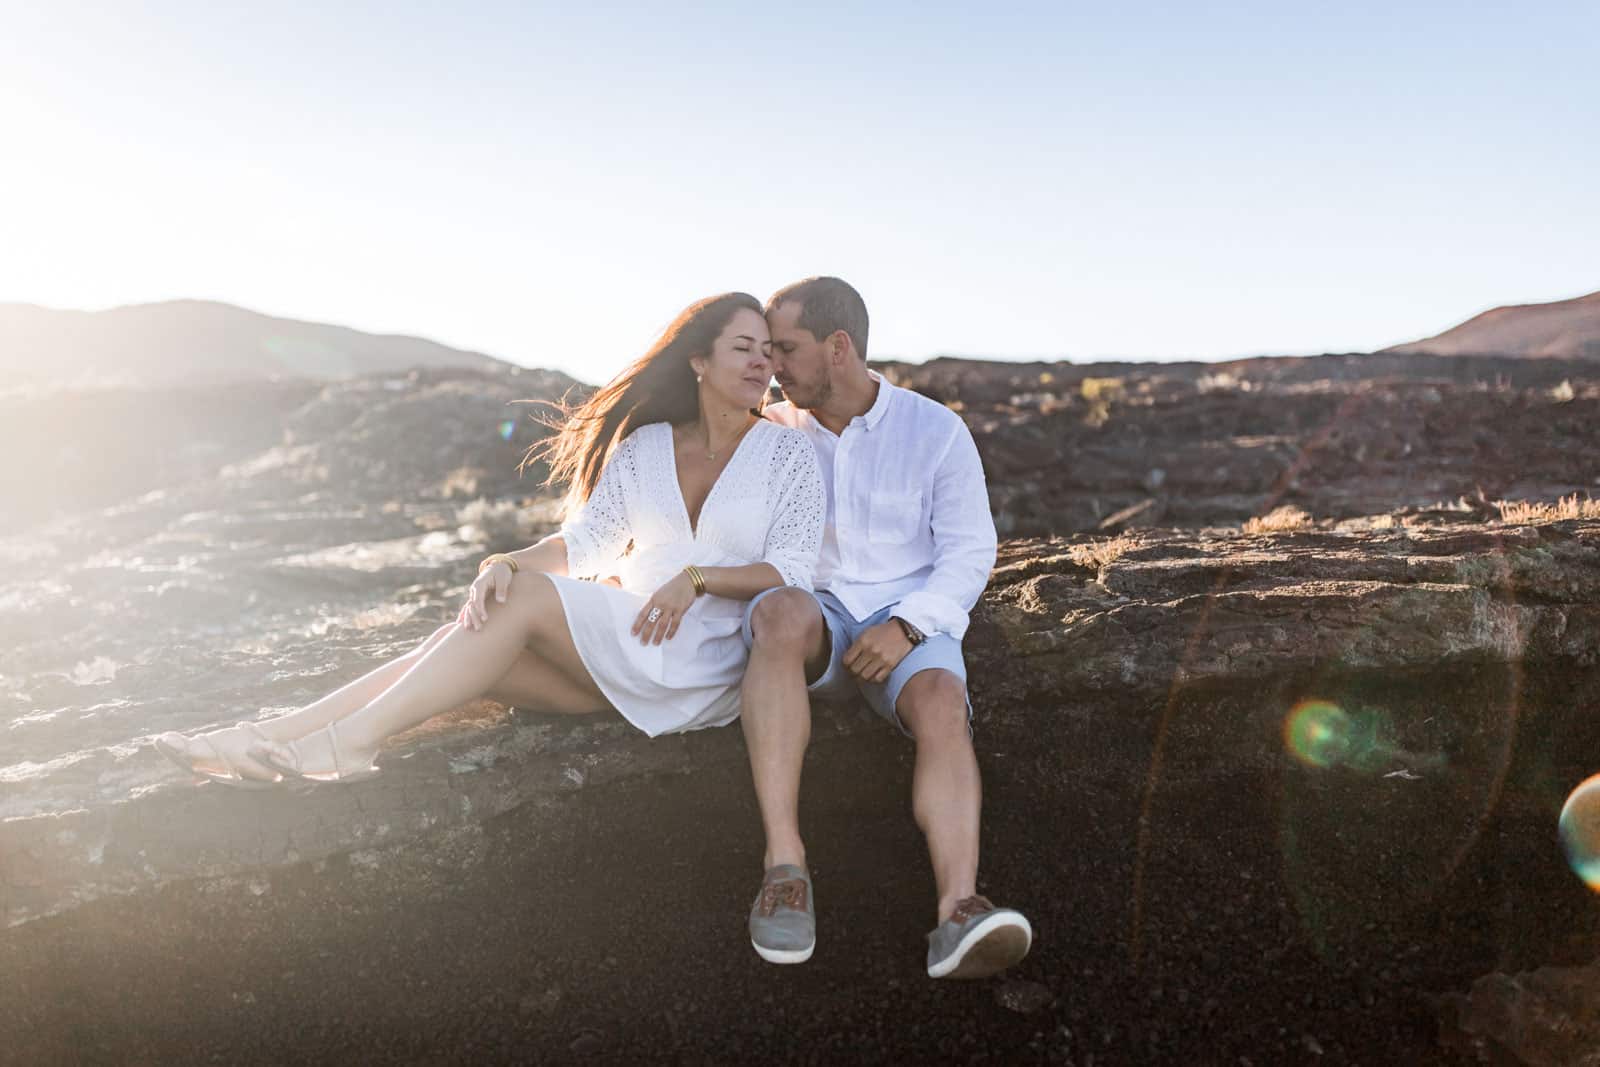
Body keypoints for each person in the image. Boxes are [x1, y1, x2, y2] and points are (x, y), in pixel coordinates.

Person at [154, 291, 825, 787]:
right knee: (464, 637)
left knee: (521, 604)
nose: (762, 365)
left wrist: (701, 578)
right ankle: (265, 737)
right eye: (745, 349)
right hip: (630, 652)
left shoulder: (788, 454)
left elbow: (794, 569)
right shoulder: (645, 446)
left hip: (707, 659)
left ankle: (343, 747)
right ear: (699, 360)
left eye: (769, 353)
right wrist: (504, 559)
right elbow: (586, 542)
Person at [738, 277, 1031, 980]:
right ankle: (786, 872)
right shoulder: (771, 432)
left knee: (939, 701)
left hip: (907, 621)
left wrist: (907, 624)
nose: (774, 364)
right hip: (817, 620)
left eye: (788, 347)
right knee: (777, 611)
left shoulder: (934, 430)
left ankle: (958, 911)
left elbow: (969, 553)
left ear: (838, 347)